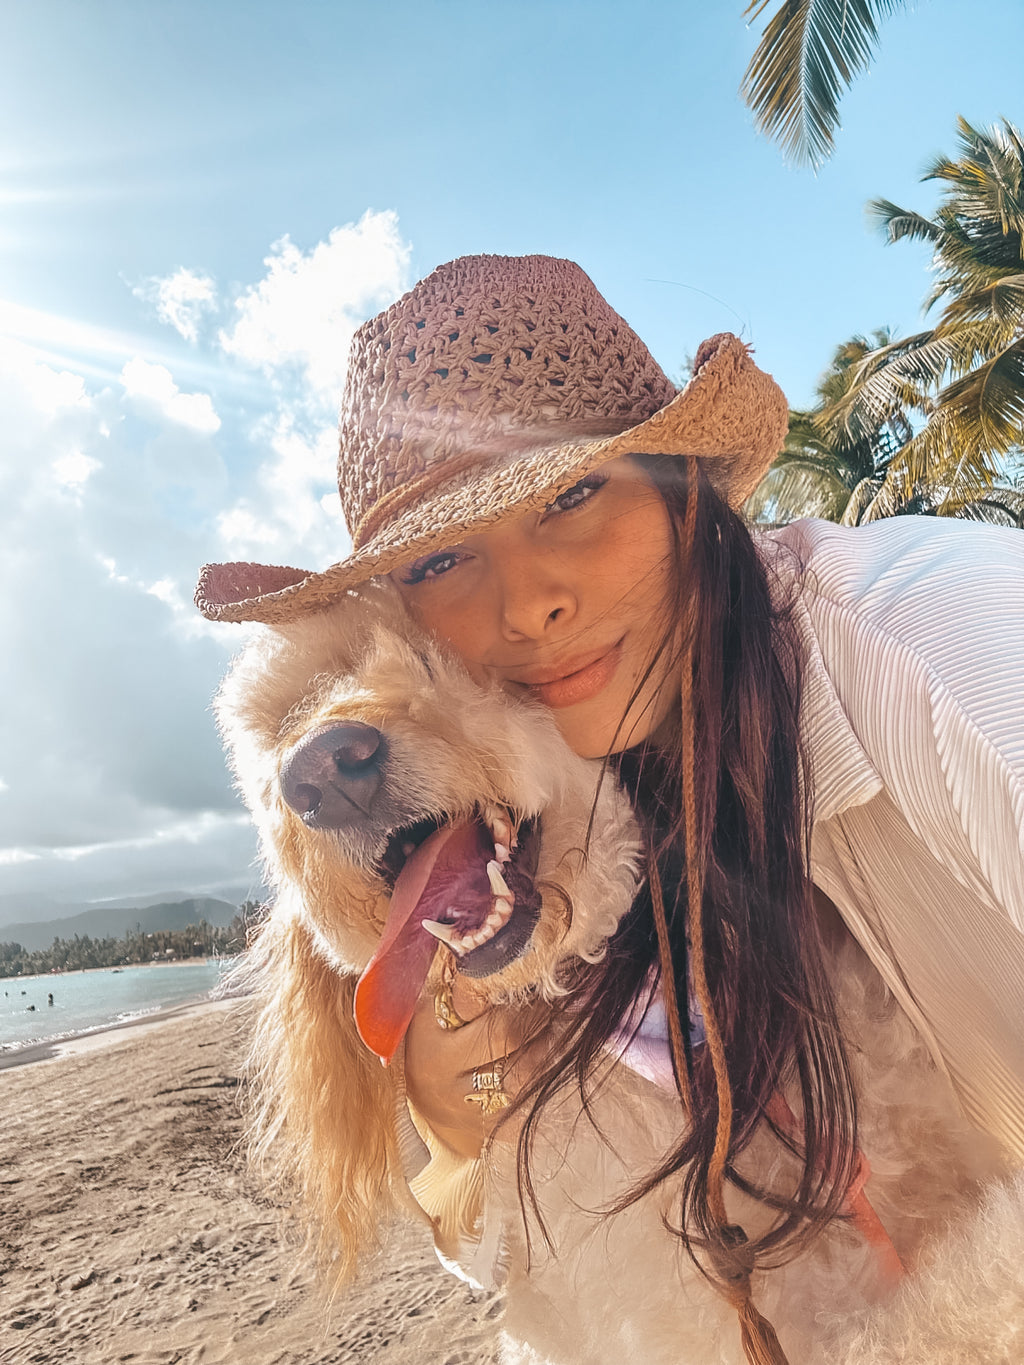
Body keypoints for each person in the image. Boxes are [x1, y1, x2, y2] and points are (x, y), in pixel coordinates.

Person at [197, 254, 1024, 1361]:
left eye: (573, 496)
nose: (533, 602)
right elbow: (526, 1275)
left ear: (680, 488)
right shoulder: (569, 813)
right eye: (445, 556)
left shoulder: (949, 643)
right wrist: (453, 1131)